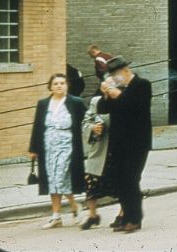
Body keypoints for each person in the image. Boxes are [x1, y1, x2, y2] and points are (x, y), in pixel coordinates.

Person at [97, 56, 152, 233]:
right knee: (120, 180)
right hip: (118, 141)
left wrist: (114, 92)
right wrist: (105, 94)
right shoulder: (116, 89)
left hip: (137, 142)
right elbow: (102, 109)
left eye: (115, 73)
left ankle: (135, 219)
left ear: (126, 70)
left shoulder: (142, 85)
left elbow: (132, 105)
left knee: (131, 179)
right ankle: (125, 216)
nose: (113, 77)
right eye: (111, 74)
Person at [28, 73, 87, 229]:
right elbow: (37, 125)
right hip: (48, 143)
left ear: (67, 85)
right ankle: (57, 216)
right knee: (52, 178)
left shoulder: (76, 102)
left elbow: (88, 120)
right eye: (56, 83)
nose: (59, 86)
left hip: (67, 143)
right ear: (50, 86)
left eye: (62, 83)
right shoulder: (43, 104)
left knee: (59, 175)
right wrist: (33, 148)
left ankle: (74, 206)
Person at [80, 77, 119, 230]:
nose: (108, 86)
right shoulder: (95, 101)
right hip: (99, 149)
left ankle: (123, 213)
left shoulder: (122, 100)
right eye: (106, 83)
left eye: (112, 84)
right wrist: (92, 128)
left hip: (117, 149)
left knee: (121, 184)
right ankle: (92, 215)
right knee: (91, 182)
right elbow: (85, 121)